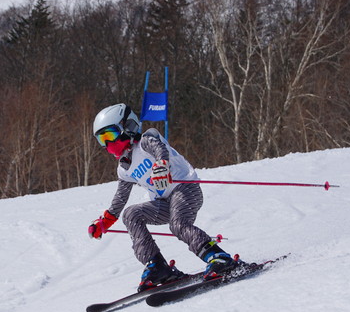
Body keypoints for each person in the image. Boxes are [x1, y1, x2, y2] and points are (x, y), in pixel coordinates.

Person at [88, 103, 243, 292]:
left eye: (110, 135)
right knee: (131, 214)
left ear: (127, 127)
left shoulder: (146, 141)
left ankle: (218, 257)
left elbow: (160, 150)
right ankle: (157, 267)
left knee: (178, 224)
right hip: (162, 203)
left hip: (185, 189)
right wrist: (105, 221)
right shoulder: (124, 168)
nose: (108, 144)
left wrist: (162, 165)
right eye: (102, 140)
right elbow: (121, 197)